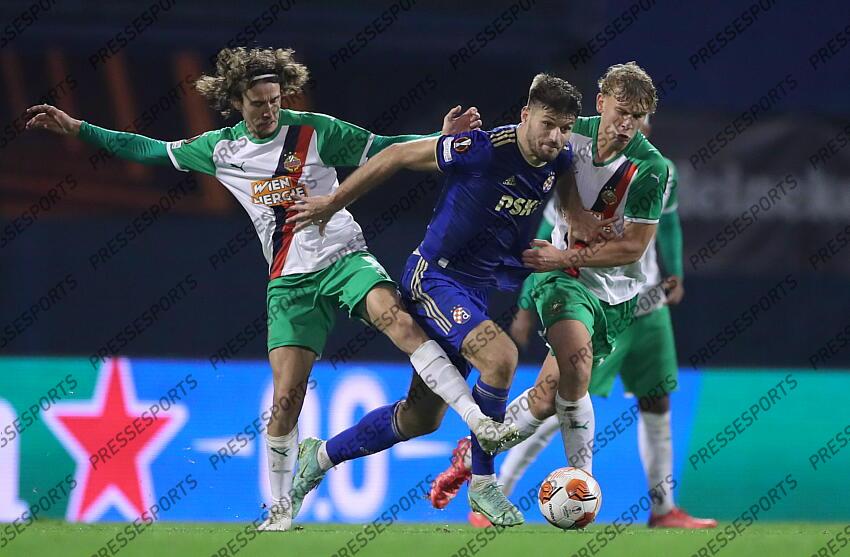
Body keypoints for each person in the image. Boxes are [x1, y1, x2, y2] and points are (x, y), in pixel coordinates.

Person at [25, 46, 516, 532]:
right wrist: (79, 129)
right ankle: (280, 510)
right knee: (287, 398)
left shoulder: (314, 131)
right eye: (259, 102)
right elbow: (149, 149)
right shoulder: (219, 149)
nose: (269, 111)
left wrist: (440, 137)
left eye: (276, 100)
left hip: (344, 258)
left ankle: (477, 420)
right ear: (237, 100)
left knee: (402, 323)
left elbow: (386, 148)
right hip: (289, 282)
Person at [286, 73, 602, 526]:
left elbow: (574, 213)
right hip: (434, 277)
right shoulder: (482, 148)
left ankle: (318, 458)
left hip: (473, 292)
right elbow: (395, 154)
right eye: (548, 123)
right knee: (501, 358)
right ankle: (485, 486)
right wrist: (332, 202)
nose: (555, 137)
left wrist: (582, 237)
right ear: (525, 115)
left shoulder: (561, 159)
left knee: (420, 419)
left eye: (565, 128)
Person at [443, 115, 717, 529]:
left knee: (656, 399)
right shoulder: (580, 164)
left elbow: (670, 223)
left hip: (647, 305)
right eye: (624, 114)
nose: (632, 125)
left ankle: (664, 509)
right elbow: (547, 232)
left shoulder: (661, 171)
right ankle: (496, 488)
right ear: (604, 110)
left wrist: (675, 271)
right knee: (554, 400)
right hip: (594, 301)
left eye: (641, 116)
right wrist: (524, 304)